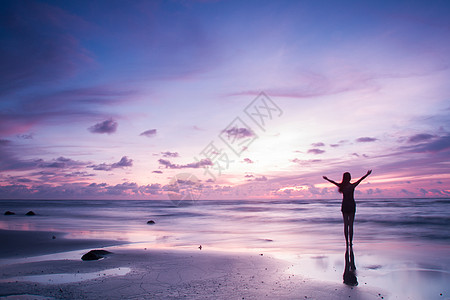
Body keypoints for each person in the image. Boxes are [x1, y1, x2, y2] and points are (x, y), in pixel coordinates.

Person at [322, 170, 372, 246]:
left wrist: (327, 179)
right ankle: (350, 242)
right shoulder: (352, 186)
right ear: (349, 178)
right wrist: (367, 174)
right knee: (351, 225)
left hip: (345, 205)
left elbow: (333, 182)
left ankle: (346, 242)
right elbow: (361, 179)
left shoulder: (342, 186)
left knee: (346, 225)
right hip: (351, 205)